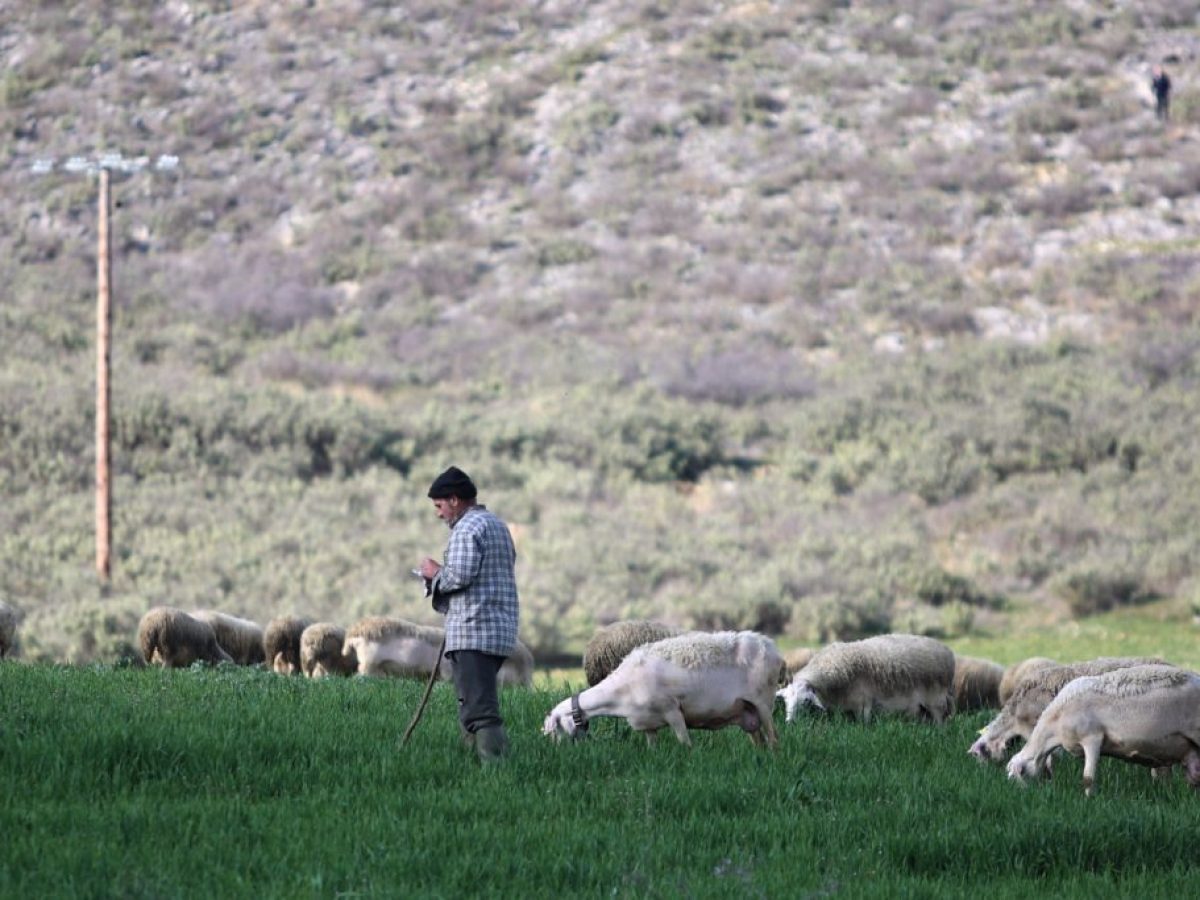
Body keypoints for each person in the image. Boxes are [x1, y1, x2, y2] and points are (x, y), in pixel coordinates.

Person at [418, 466, 519, 763]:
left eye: (439, 506)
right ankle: (470, 767)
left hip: (473, 630)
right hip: (497, 629)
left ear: (454, 500)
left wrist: (434, 573)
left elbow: (459, 576)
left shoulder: (467, 528)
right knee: (472, 704)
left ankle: (496, 771)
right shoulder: (497, 525)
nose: (438, 514)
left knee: (480, 709)